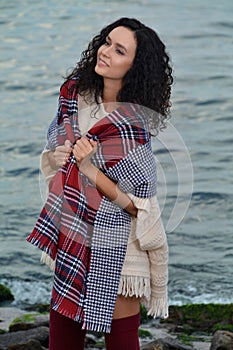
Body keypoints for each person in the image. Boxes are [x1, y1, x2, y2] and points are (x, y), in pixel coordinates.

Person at [27, 17, 173, 350]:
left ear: (134, 67)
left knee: (121, 344)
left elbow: (139, 207)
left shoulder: (132, 128)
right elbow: (53, 159)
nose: (106, 52)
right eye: (106, 42)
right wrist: (60, 155)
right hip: (73, 234)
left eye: (119, 50)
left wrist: (90, 171)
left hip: (118, 249)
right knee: (63, 341)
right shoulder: (74, 96)